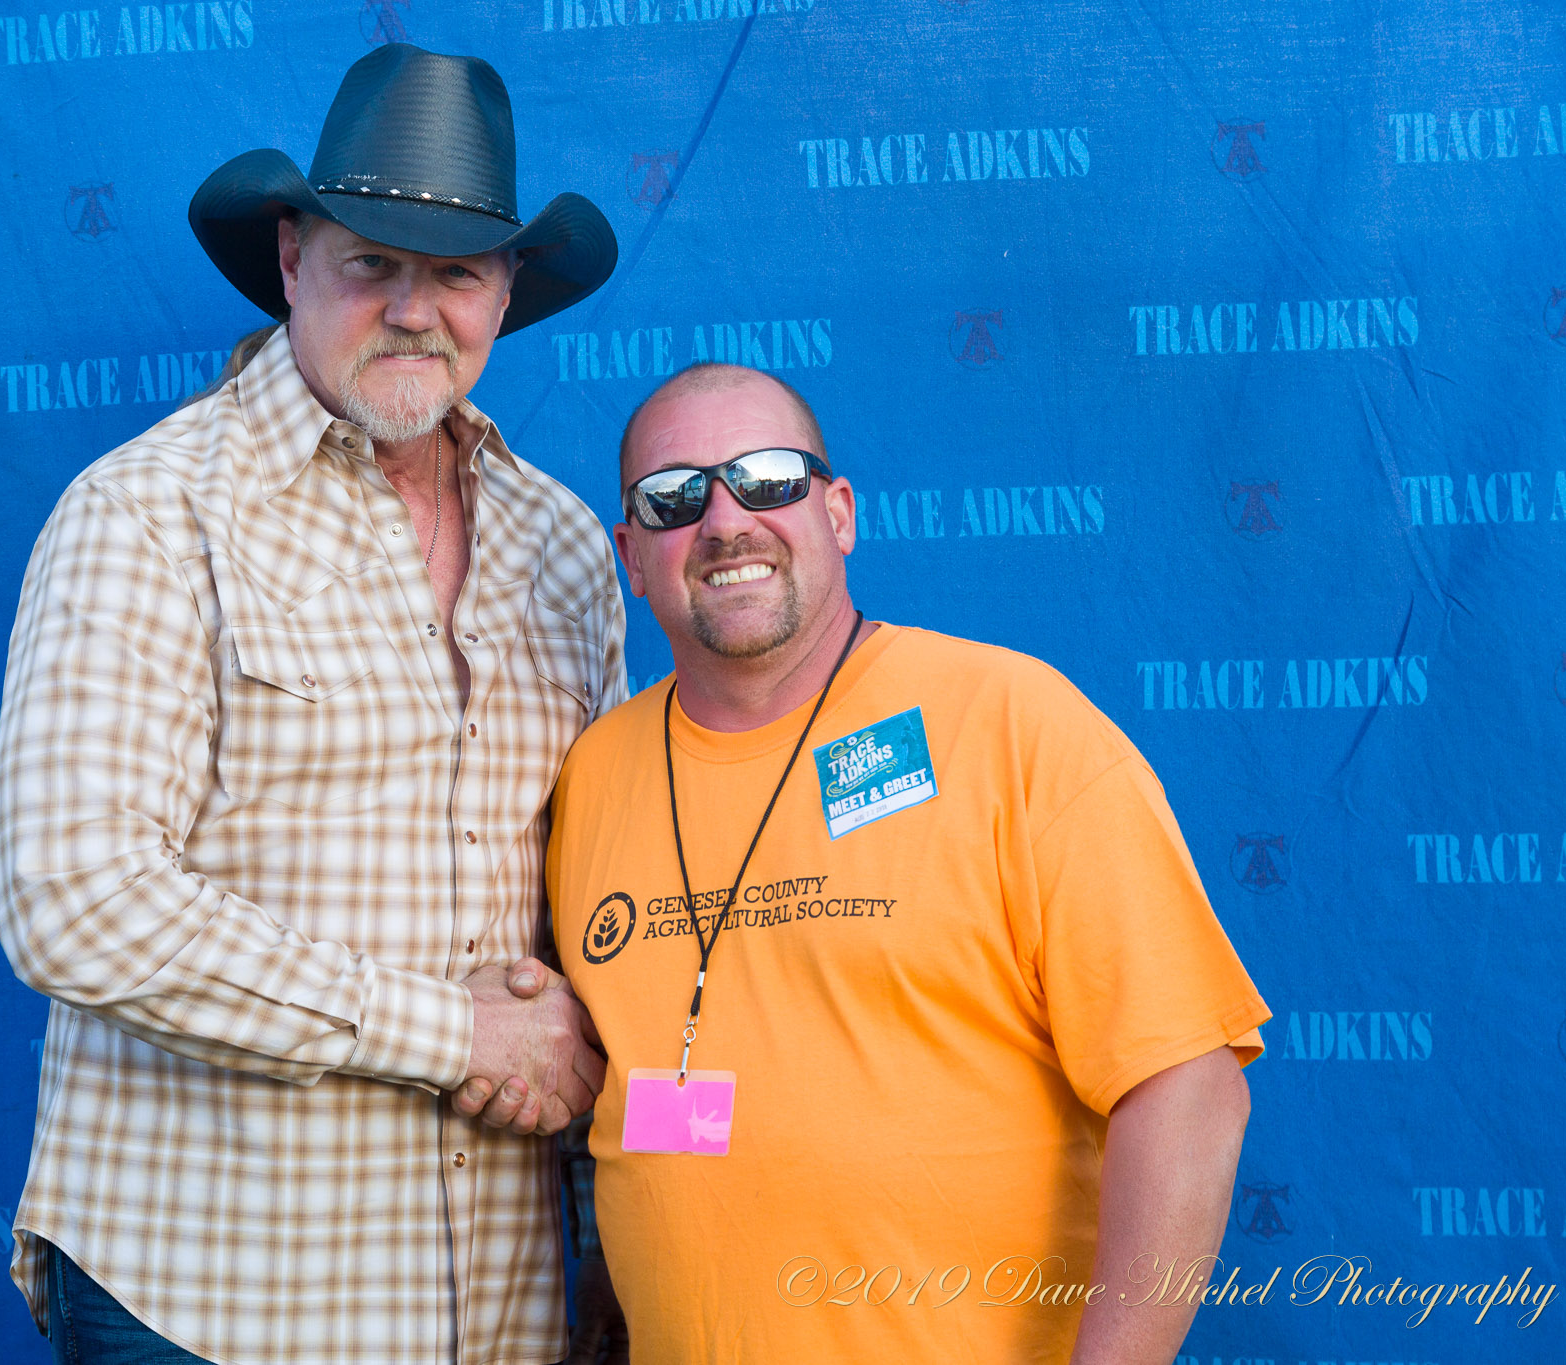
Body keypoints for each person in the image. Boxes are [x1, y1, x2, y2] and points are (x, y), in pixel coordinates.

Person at [0, 44, 627, 1365]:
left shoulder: (563, 543)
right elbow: (75, 898)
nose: (413, 309)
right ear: (291, 259)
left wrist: (623, 1218)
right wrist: (453, 1034)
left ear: (506, 290)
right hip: (212, 1298)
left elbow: (594, 898)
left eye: (456, 273)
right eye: (369, 263)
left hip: (497, 1310)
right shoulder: (149, 514)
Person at [535, 363, 1271, 1363]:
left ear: (838, 513)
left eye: (766, 478)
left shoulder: (1012, 725)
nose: (725, 522)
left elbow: (1189, 1088)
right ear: (629, 554)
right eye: (674, 496)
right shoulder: (590, 777)